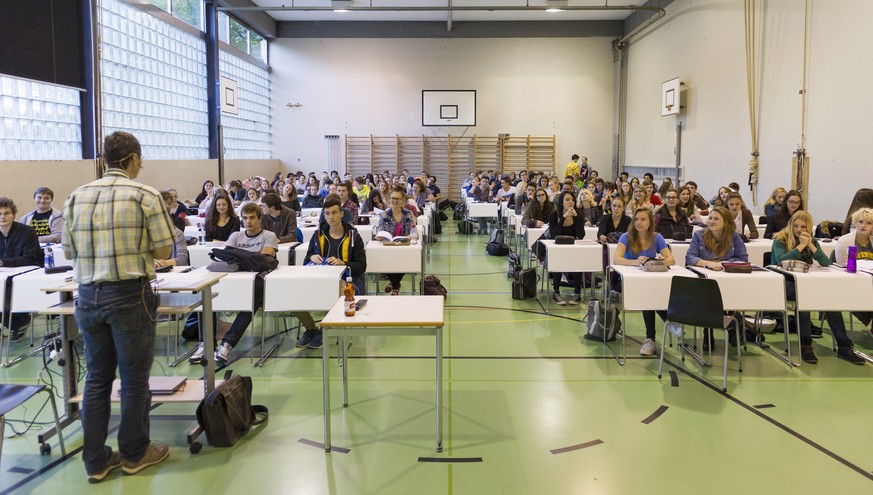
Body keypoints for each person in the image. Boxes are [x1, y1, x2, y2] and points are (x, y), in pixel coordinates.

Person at [62, 131, 175, 482]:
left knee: (96, 378)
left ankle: (95, 461)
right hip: (129, 295)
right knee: (134, 379)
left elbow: (68, 252)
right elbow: (164, 251)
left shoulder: (76, 196)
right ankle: (134, 453)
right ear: (134, 159)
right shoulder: (144, 194)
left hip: (88, 295)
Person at [771, 210, 864, 365]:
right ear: (790, 225)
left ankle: (844, 345)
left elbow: (826, 262)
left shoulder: (811, 240)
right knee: (804, 298)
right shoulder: (781, 239)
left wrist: (811, 247)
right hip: (783, 280)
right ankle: (805, 344)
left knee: (830, 300)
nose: (799, 229)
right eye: (795, 226)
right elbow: (781, 260)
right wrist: (800, 246)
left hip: (806, 281)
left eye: (803, 226)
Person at [297, 194, 367, 349]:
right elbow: (306, 260)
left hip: (349, 281)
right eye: (327, 213)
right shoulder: (318, 235)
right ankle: (310, 328)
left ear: (342, 214)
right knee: (293, 292)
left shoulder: (354, 236)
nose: (331, 216)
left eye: (334, 212)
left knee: (339, 288)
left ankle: (325, 328)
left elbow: (362, 266)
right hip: (320, 279)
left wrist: (344, 263)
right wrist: (312, 257)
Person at [213, 203, 280, 365]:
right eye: (245, 218)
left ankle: (227, 344)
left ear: (259, 219)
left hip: (259, 282)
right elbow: (227, 258)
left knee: (250, 301)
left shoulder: (269, 236)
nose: (248, 221)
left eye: (252, 218)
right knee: (209, 290)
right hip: (236, 281)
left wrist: (239, 256)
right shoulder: (236, 236)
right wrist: (249, 257)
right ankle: (205, 342)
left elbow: (264, 260)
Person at [685, 206, 751, 349]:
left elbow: (743, 258)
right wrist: (708, 264)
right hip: (704, 280)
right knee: (709, 295)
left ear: (725, 222)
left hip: (727, 280)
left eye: (716, 219)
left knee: (727, 294)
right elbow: (690, 257)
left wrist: (724, 263)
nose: (712, 221)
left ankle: (731, 325)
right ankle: (709, 331)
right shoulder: (699, 235)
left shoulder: (734, 237)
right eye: (710, 218)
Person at [613, 208, 675, 356]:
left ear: (650, 222)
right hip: (626, 282)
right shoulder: (626, 237)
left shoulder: (657, 237)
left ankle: (651, 339)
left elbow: (671, 259)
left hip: (649, 281)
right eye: (636, 219)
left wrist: (660, 260)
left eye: (643, 219)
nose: (639, 223)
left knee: (651, 293)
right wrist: (635, 262)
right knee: (649, 295)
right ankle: (667, 321)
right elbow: (617, 259)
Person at [0, 197, 44, 342]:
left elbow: (30, 258)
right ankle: (7, 321)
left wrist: (2, 263)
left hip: (27, 274)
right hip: (4, 274)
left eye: (6, 213)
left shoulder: (27, 232)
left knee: (10, 286)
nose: (3, 217)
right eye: (0, 214)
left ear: (13, 214)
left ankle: (19, 322)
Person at [834, 207, 873, 335]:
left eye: (869, 223)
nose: (864, 226)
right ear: (855, 223)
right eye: (861, 222)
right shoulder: (844, 241)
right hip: (850, 283)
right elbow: (841, 266)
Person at [375, 186, 417, 295]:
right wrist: (379, 236)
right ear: (389, 199)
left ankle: (393, 283)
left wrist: (410, 237)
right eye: (393, 198)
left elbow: (413, 231)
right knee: (385, 261)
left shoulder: (408, 214)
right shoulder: (383, 215)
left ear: (402, 200)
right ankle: (396, 285)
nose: (395, 201)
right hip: (388, 248)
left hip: (404, 247)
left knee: (405, 261)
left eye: (398, 199)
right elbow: (380, 231)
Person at [547, 191, 586, 305]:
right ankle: (556, 293)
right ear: (562, 202)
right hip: (557, 248)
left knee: (576, 264)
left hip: (573, 247)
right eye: (567, 199)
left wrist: (577, 218)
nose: (570, 202)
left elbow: (581, 235)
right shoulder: (554, 215)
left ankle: (577, 293)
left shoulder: (578, 214)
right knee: (558, 263)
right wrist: (563, 219)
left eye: (572, 200)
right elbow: (553, 234)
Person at [156, 191, 190, 268]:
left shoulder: (177, 233)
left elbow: (182, 260)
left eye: (168, 203)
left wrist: (163, 263)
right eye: (162, 203)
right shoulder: (147, 232)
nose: (166, 206)